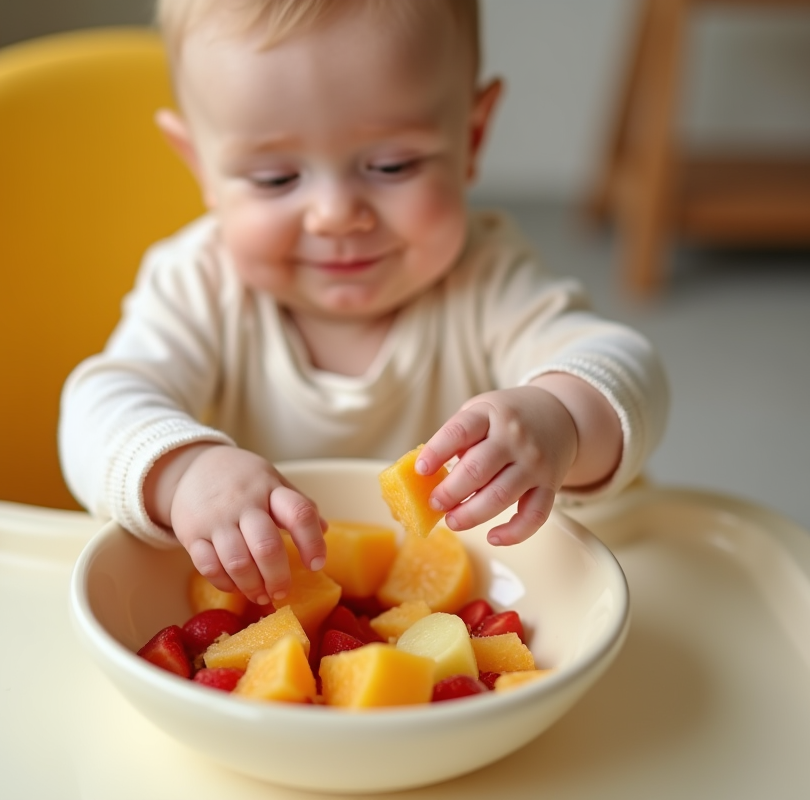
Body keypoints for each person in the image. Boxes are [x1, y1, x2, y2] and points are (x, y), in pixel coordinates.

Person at [59, 0, 668, 610]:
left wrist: (558, 418)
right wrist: (185, 472)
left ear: (472, 137)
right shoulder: (199, 283)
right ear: (202, 168)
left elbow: (623, 364)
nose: (336, 215)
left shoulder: (487, 278)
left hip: (459, 602)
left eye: (391, 165)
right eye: (275, 178)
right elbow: (96, 407)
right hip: (258, 610)